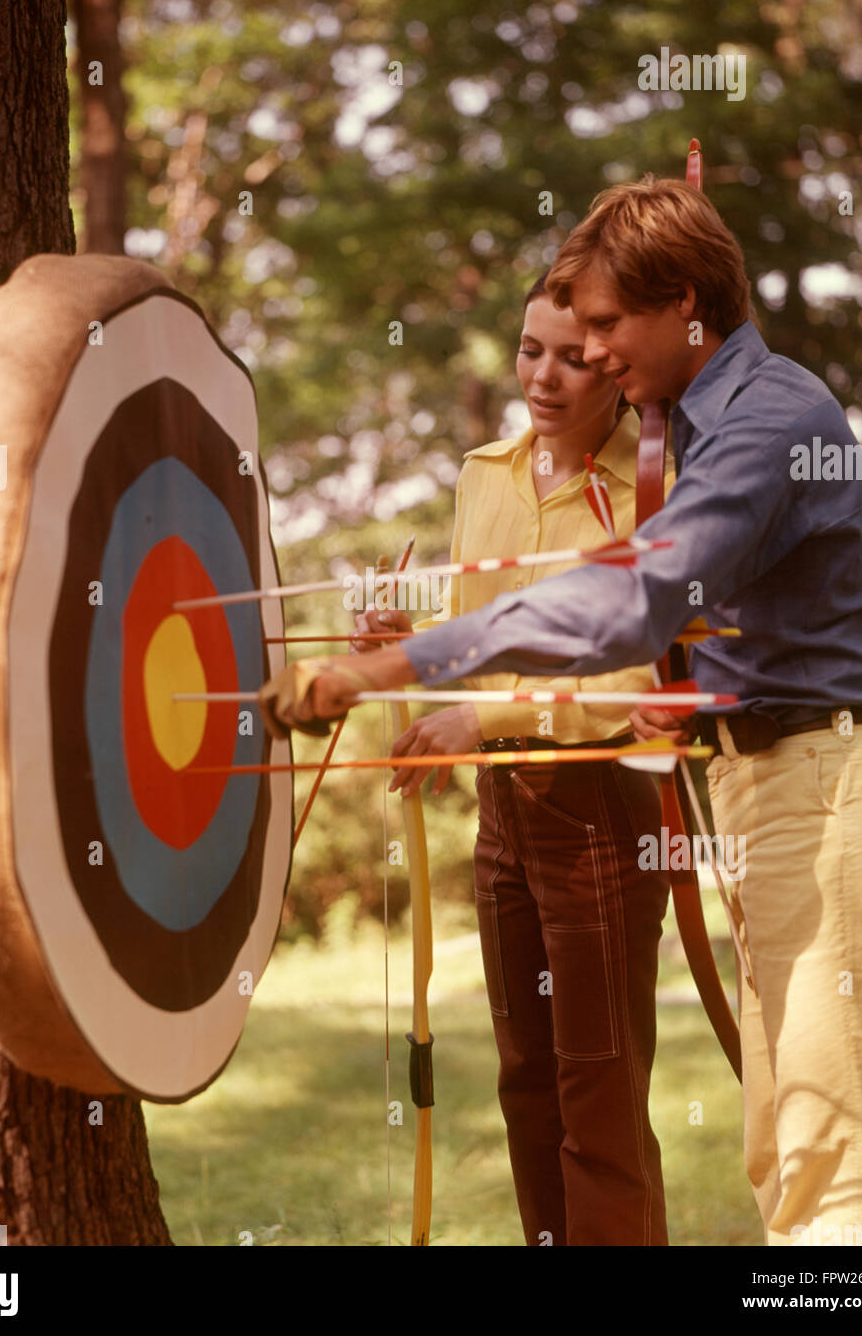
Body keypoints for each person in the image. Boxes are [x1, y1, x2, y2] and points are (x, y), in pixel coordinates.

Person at [262, 174, 862, 1247]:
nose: (592, 350)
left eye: (610, 325)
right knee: (788, 1152)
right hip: (780, 788)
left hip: (828, 788)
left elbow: (630, 598)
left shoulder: (767, 419)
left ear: (686, 305)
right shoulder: (703, 423)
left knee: (827, 1172)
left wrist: (401, 670)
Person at [353, 275, 671, 1246]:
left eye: (573, 357)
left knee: (598, 1090)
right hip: (508, 813)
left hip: (602, 809)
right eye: (530, 348)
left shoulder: (652, 488)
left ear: (617, 369)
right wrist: (405, 638)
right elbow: (478, 634)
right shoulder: (481, 474)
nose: (543, 375)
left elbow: (638, 677)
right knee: (526, 1081)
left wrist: (480, 724)